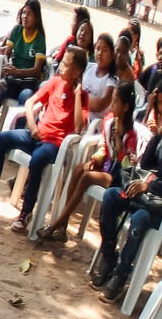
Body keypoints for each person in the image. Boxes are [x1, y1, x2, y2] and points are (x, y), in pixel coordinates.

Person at [0, 43, 88, 233]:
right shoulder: (56, 82)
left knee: (38, 160)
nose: (61, 67)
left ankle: (26, 213)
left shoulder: (83, 97)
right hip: (34, 134)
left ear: (76, 73)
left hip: (53, 144)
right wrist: (32, 125)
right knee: (1, 139)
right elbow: (31, 102)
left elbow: (80, 126)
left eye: (65, 64)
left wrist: (78, 95)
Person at [39, 81, 138, 245]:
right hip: (107, 167)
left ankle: (55, 224)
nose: (112, 105)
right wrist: (95, 159)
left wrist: (120, 144)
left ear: (126, 107)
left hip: (119, 178)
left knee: (86, 177)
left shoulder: (130, 135)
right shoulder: (109, 122)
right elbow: (103, 147)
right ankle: (63, 227)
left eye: (115, 101)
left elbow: (128, 165)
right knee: (79, 169)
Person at [91, 92, 162, 302]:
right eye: (159, 105)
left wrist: (147, 183)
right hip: (144, 193)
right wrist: (157, 135)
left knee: (139, 220)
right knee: (112, 195)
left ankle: (121, 274)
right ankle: (109, 256)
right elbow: (148, 163)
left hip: (156, 204)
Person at [0, 0, 50, 123]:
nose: (25, 17)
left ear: (36, 18)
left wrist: (17, 71)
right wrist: (8, 67)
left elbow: (36, 70)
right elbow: (6, 54)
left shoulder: (39, 38)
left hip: (28, 82)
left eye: (29, 14)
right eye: (23, 13)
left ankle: (15, 137)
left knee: (26, 97)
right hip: (12, 79)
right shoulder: (17, 30)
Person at [82, 33, 122, 115]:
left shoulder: (112, 80)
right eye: (98, 48)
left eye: (105, 50)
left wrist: (77, 99)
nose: (100, 53)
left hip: (93, 122)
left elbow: (100, 105)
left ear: (112, 55)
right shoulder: (88, 66)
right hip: (78, 112)